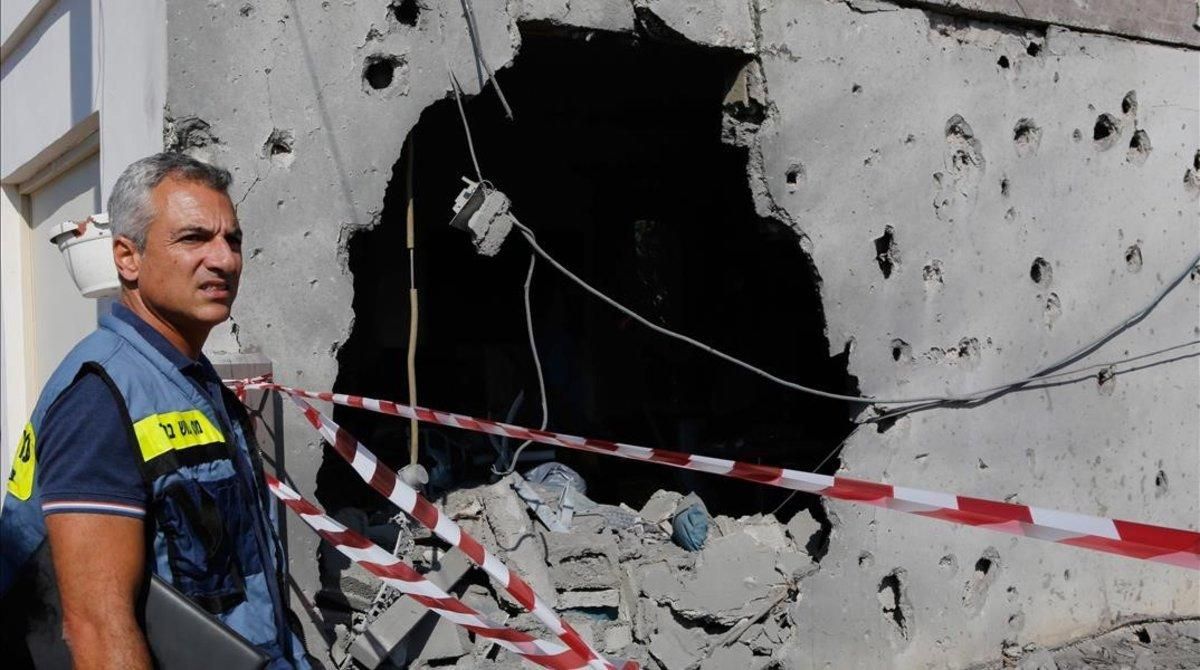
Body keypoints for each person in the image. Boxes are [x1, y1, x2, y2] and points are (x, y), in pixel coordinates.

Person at [0, 153, 309, 669]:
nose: (225, 259)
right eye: (193, 239)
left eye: (231, 239)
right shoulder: (102, 399)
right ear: (127, 257)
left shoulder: (187, 377)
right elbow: (97, 630)